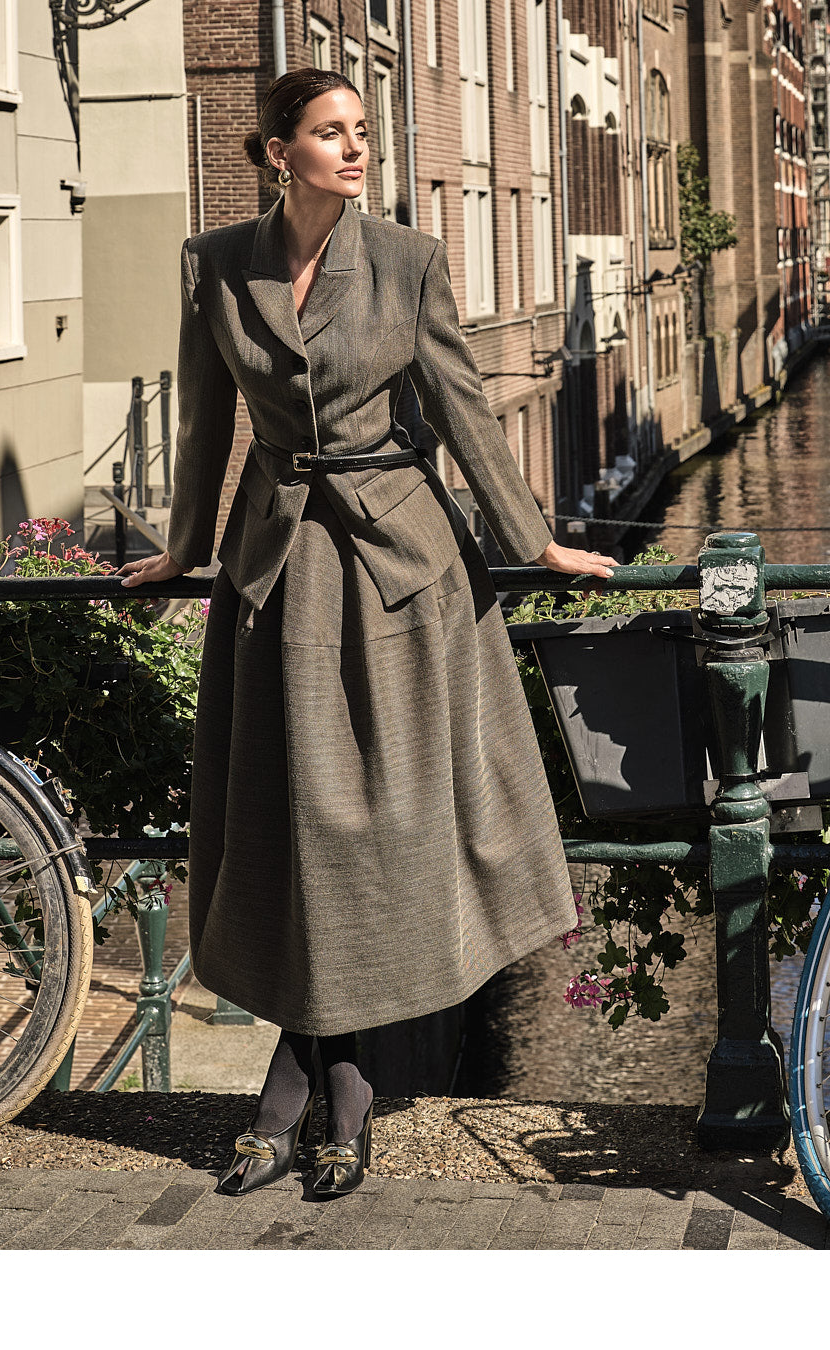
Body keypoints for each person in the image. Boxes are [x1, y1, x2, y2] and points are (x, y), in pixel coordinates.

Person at [120, 67, 615, 1198]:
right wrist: (184, 548)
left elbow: (461, 405)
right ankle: (333, 1087)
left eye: (360, 131)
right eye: (329, 132)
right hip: (277, 567)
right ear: (276, 152)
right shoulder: (215, 263)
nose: (355, 149)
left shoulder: (406, 260)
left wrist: (534, 542)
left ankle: (308, 1089)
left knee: (371, 832)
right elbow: (205, 418)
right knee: (290, 823)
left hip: (399, 570)